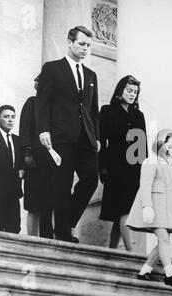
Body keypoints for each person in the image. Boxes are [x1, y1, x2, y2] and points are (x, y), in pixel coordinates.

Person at [35, 26, 100, 242]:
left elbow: (93, 110)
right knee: (62, 185)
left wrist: (97, 137)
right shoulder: (52, 69)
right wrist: (44, 130)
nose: (85, 49)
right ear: (69, 42)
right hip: (60, 137)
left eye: (89, 45)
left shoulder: (91, 75)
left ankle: (66, 222)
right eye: (82, 44)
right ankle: (62, 233)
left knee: (91, 179)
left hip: (86, 139)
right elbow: (42, 103)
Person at [126, 129, 172, 287]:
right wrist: (147, 206)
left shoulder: (165, 164)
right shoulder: (151, 161)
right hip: (154, 208)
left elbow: (167, 188)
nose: (171, 150)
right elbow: (145, 185)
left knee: (164, 240)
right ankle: (170, 273)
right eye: (170, 146)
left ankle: (145, 270)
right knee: (164, 239)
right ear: (161, 143)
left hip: (165, 209)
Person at [99, 75, 147, 250]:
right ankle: (130, 250)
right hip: (114, 167)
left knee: (124, 210)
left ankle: (112, 250)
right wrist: (102, 167)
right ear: (120, 91)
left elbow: (142, 146)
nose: (133, 94)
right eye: (129, 90)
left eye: (135, 92)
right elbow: (101, 142)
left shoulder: (138, 115)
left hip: (133, 169)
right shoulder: (107, 111)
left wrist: (144, 171)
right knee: (123, 210)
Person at [19, 75, 53, 238]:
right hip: (34, 160)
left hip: (51, 162)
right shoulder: (32, 102)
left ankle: (46, 239)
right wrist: (27, 153)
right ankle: (31, 240)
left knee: (49, 203)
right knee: (34, 205)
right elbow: (24, 129)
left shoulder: (54, 107)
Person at [0, 105, 22, 233]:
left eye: (13, 117)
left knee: (14, 228)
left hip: (13, 192)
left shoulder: (18, 140)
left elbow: (20, 165)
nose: (10, 120)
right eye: (6, 116)